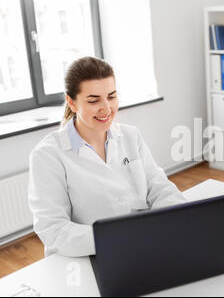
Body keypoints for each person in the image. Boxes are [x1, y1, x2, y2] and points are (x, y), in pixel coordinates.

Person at [28, 56, 186, 257]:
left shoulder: (130, 136)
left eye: (111, 96)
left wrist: (177, 219)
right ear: (72, 103)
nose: (106, 108)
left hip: (145, 245)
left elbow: (160, 187)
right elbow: (54, 229)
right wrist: (120, 238)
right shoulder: (48, 154)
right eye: (93, 100)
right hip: (90, 256)